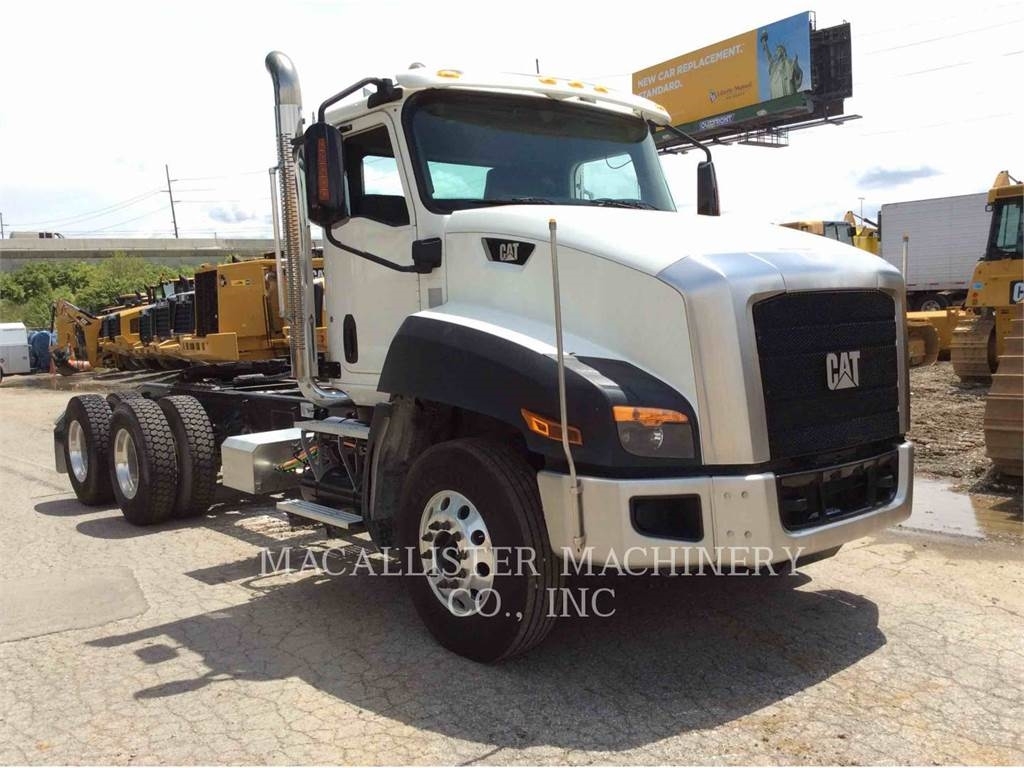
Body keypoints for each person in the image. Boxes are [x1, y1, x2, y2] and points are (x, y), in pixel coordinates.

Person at [760, 30, 803, 99]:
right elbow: (769, 56)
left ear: (783, 52)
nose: (777, 52)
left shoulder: (788, 62)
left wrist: (795, 64)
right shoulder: (774, 65)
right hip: (776, 87)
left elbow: (797, 72)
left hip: (785, 87)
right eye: (777, 51)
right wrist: (764, 43)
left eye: (779, 50)